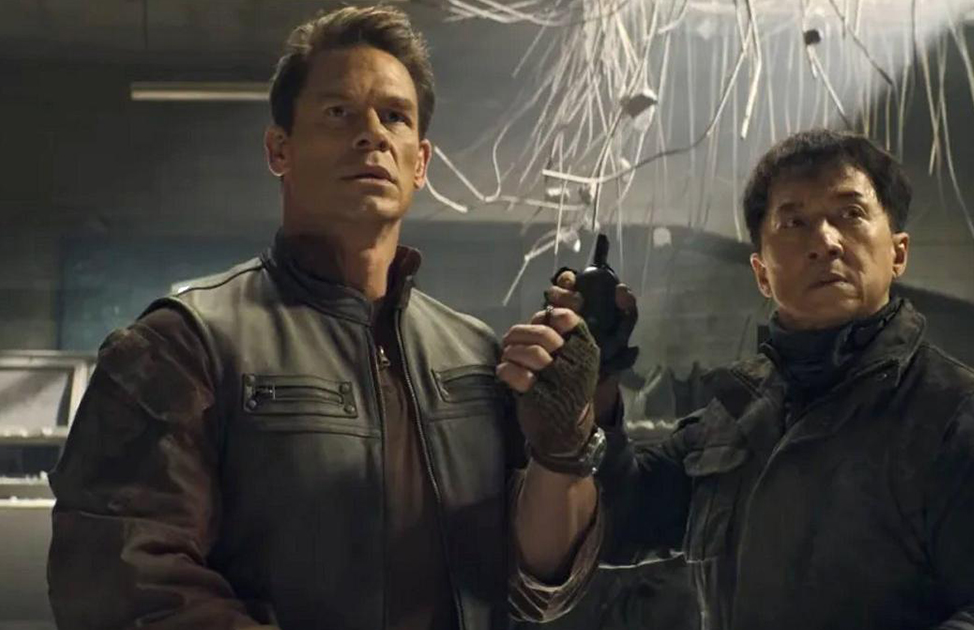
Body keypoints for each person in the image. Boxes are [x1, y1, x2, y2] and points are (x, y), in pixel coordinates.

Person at [47, 6, 598, 629]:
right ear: (279, 148)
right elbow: (124, 583)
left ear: (419, 161)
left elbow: (540, 583)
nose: (372, 134)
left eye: (395, 116)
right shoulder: (183, 345)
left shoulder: (474, 353)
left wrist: (564, 447)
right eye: (339, 112)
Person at [505, 129, 974, 629]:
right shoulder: (738, 412)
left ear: (898, 253)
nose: (825, 241)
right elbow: (624, 513)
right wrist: (596, 387)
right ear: (761, 273)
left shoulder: (955, 413)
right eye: (794, 222)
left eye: (850, 214)